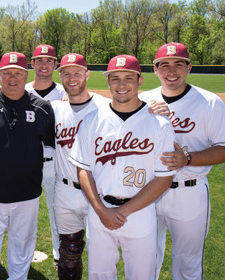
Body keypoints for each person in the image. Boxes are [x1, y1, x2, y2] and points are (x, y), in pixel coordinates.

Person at [69, 54, 176, 279]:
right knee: (99, 275)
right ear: (108, 82)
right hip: (100, 210)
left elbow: (164, 178)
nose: (121, 85)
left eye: (128, 78)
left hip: (140, 212)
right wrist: (101, 210)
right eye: (115, 78)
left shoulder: (160, 124)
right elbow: (83, 170)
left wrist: (122, 212)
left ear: (140, 81)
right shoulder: (92, 120)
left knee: (141, 275)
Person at [139, 42, 225, 280]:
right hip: (148, 191)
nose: (171, 71)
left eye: (179, 64)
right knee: (144, 259)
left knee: (188, 264)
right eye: (164, 65)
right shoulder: (143, 101)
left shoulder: (209, 102)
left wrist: (187, 158)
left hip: (190, 192)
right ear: (155, 70)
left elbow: (224, 147)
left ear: (189, 68)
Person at [0, 52, 55, 280]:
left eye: (18, 73)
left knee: (22, 248)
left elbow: (50, 144)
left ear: (26, 75)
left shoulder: (43, 108)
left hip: (27, 195)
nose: (13, 78)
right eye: (7, 73)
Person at [52, 53, 110, 279]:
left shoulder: (107, 106)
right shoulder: (55, 108)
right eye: (66, 74)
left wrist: (154, 106)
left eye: (77, 73)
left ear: (87, 74)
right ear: (61, 77)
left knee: (102, 252)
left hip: (99, 190)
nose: (72, 78)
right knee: (69, 251)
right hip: (65, 190)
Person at [25, 44, 66, 267]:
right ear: (32, 63)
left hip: (55, 161)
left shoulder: (65, 92)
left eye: (48, 60)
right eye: (39, 60)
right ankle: (21, 255)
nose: (43, 64)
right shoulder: (19, 90)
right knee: (23, 214)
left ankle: (59, 255)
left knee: (57, 212)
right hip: (26, 163)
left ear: (55, 64)